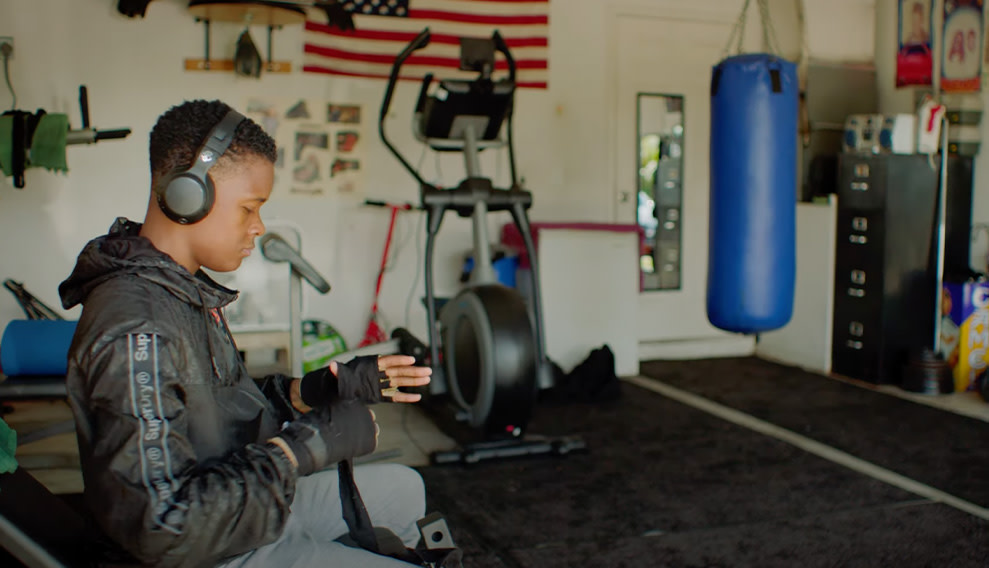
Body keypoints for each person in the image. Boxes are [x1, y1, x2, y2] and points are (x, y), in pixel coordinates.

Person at [58, 99, 434, 567]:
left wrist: (316, 390)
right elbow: (162, 526)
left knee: (405, 489)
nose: (258, 227)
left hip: (236, 511)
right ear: (188, 197)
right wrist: (306, 447)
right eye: (249, 208)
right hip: (199, 552)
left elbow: (217, 415)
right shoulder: (138, 329)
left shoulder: (181, 289)